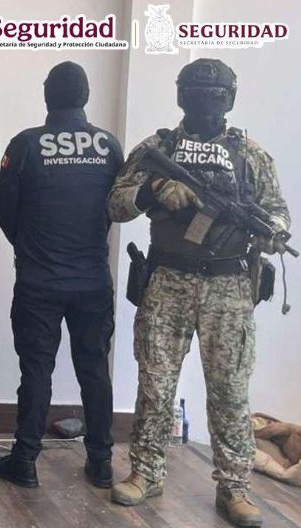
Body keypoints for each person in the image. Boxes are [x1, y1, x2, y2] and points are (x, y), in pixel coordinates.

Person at [108, 58, 290, 528]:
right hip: (168, 279)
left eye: (215, 93)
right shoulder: (158, 148)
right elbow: (116, 203)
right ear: (181, 95)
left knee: (230, 391)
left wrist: (272, 231)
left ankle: (234, 486)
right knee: (155, 383)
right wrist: (154, 190)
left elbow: (277, 210)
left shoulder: (250, 154)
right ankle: (146, 472)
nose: (206, 100)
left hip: (229, 286)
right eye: (197, 90)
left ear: (230, 98)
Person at [0, 61, 123, 488]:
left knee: (36, 370)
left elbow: (5, 210)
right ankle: (101, 462)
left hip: (39, 281)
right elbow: (114, 209)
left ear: (47, 95)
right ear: (85, 96)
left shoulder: (27, 144)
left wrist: (29, 247)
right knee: (95, 369)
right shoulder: (108, 146)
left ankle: (25, 461)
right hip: (92, 280)